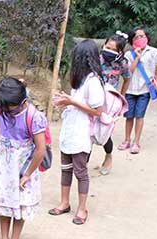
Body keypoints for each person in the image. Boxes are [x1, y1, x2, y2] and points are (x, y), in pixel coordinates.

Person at [0, 77, 47, 239]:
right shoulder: (0, 108)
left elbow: (40, 149)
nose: (6, 112)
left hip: (23, 166)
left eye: (10, 109)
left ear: (23, 102)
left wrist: (27, 174)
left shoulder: (34, 117)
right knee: (4, 201)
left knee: (20, 203)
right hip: (4, 164)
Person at [49, 40, 105, 225]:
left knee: (81, 171)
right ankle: (64, 203)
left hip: (81, 133)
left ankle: (82, 208)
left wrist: (71, 102)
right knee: (65, 169)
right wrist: (66, 100)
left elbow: (98, 110)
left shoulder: (94, 81)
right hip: (70, 132)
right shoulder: (80, 81)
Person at [120, 26, 157, 155]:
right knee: (129, 116)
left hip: (145, 90)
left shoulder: (154, 52)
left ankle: (136, 142)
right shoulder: (129, 54)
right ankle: (127, 140)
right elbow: (129, 71)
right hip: (130, 90)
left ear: (147, 37)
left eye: (142, 36)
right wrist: (137, 57)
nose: (139, 39)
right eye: (136, 37)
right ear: (132, 40)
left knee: (140, 116)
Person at [98, 32, 131, 175]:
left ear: (120, 52)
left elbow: (127, 78)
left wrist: (121, 97)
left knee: (106, 131)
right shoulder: (97, 59)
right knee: (90, 129)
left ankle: (108, 156)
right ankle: (83, 161)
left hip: (110, 103)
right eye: (107, 47)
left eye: (112, 49)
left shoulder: (122, 63)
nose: (108, 51)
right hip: (95, 99)